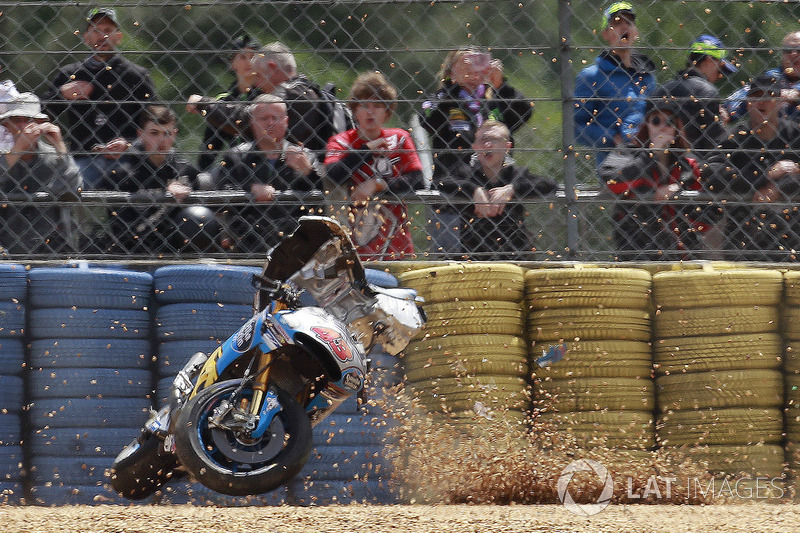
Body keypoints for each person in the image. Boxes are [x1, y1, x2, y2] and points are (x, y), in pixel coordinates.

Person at [420, 46, 532, 256]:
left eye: (478, 62)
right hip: (455, 193)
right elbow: (428, 118)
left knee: (508, 261)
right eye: (466, 63)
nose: (473, 69)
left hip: (495, 196)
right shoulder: (441, 98)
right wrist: (453, 87)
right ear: (451, 70)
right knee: (451, 262)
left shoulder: (494, 101)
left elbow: (524, 113)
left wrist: (500, 84)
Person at [43, 7, 157, 189]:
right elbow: (43, 116)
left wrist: (129, 144)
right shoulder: (70, 74)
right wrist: (62, 95)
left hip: (128, 159)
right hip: (82, 158)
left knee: (133, 184)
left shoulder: (136, 76)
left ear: (118, 37)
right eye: (95, 30)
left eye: (107, 30)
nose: (101, 36)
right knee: (65, 188)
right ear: (85, 37)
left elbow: (156, 120)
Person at [325, 72, 423, 261]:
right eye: (364, 105)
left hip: (395, 245)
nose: (370, 112)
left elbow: (417, 180)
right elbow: (333, 175)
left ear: (387, 113)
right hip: (351, 248)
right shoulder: (342, 141)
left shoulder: (399, 139)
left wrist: (378, 184)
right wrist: (368, 149)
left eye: (378, 106)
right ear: (354, 111)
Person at [188, 41, 345, 158]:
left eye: (259, 75)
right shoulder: (306, 91)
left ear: (272, 66)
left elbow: (242, 118)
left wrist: (204, 104)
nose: (256, 83)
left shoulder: (290, 93)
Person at [703, 74, 800, 261]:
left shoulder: (794, 134)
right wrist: (763, 177)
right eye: (756, 96)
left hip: (792, 236)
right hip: (743, 234)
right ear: (748, 103)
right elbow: (709, 170)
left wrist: (781, 184)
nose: (762, 102)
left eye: (769, 96)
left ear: (779, 102)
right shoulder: (736, 137)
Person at [98, 105, 218, 254]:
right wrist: (167, 200)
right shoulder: (121, 173)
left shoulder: (184, 168)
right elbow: (130, 230)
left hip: (179, 246)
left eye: (167, 133)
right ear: (140, 134)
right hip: (135, 249)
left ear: (175, 134)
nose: (162, 140)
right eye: (154, 133)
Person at [599, 92, 705, 260]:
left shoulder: (686, 163)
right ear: (646, 124)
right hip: (636, 246)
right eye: (656, 121)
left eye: (670, 122)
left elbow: (700, 181)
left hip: (681, 249)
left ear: (677, 128)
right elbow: (612, 180)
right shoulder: (628, 152)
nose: (663, 127)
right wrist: (651, 154)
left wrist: (677, 187)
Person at [212, 94, 322, 253]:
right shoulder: (236, 156)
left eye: (275, 118)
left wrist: (308, 172)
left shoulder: (305, 156)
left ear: (286, 121)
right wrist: (249, 191)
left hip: (295, 241)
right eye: (263, 118)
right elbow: (221, 194)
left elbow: (324, 195)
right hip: (247, 241)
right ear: (252, 123)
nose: (270, 123)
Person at [437, 120, 556, 260]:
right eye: (482, 140)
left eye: (494, 139)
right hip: (473, 251)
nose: (487, 145)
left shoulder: (516, 174)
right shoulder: (466, 174)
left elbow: (549, 184)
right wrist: (474, 190)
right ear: (475, 147)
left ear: (507, 146)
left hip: (514, 251)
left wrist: (512, 189)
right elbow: (440, 182)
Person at [574, 2, 656, 169]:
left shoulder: (648, 76)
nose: (624, 26)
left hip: (650, 163)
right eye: (617, 23)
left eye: (629, 22)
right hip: (614, 168)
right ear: (605, 34)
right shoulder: (592, 76)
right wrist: (613, 137)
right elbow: (574, 127)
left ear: (636, 33)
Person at [0, 93, 81, 254]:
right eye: (17, 120)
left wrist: (60, 145)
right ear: (7, 126)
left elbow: (74, 188)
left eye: (29, 120)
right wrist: (17, 151)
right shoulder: (3, 156)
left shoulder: (55, 156)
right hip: (6, 246)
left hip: (51, 247)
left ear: (40, 124)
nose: (24, 127)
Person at [196, 33, 261, 171]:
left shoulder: (267, 96)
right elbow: (211, 146)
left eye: (253, 56)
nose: (249, 62)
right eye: (243, 57)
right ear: (232, 63)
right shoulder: (224, 101)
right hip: (237, 167)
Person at [661, 35, 738, 153]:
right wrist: (722, 123)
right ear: (709, 60)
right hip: (695, 163)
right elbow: (715, 140)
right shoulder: (707, 92)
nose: (719, 76)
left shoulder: (662, 89)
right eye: (720, 68)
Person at [726, 30, 800, 122]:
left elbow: (795, 93)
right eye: (788, 50)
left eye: (798, 49)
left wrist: (797, 92)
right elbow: (742, 95)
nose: (793, 54)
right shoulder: (772, 76)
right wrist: (727, 111)